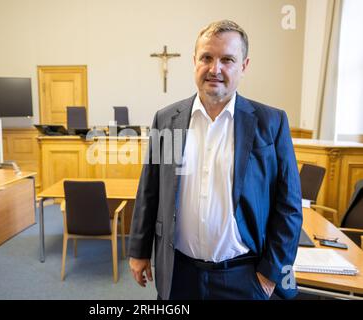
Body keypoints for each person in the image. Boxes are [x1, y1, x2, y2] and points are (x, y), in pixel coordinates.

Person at [128, 20, 302, 300]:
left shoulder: (270, 123)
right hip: (178, 273)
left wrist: (271, 273)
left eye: (227, 60)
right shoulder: (167, 120)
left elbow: (289, 205)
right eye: (206, 57)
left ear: (243, 66)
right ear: (194, 61)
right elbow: (150, 191)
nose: (215, 69)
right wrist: (138, 251)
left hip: (244, 276)